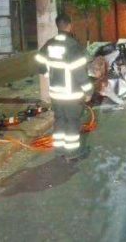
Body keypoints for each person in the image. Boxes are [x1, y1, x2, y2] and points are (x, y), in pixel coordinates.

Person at [35, 14, 93, 160]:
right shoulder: (73, 46)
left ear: (57, 26)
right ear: (69, 25)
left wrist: (47, 73)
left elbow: (39, 62)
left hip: (55, 93)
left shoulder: (50, 44)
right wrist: (88, 90)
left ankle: (59, 150)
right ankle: (72, 153)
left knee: (59, 119)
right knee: (72, 122)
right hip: (71, 94)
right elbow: (80, 72)